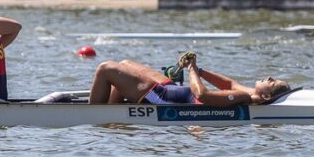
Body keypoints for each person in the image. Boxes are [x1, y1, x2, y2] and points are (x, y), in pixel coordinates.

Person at [88, 55, 289, 107]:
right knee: (125, 64)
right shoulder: (248, 91)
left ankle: (96, 115)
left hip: (164, 98)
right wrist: (199, 70)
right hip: (173, 89)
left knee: (106, 68)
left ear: (265, 97)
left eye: (272, 82)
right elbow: (228, 84)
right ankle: (114, 111)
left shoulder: (245, 97)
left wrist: (192, 68)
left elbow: (202, 95)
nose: (270, 77)